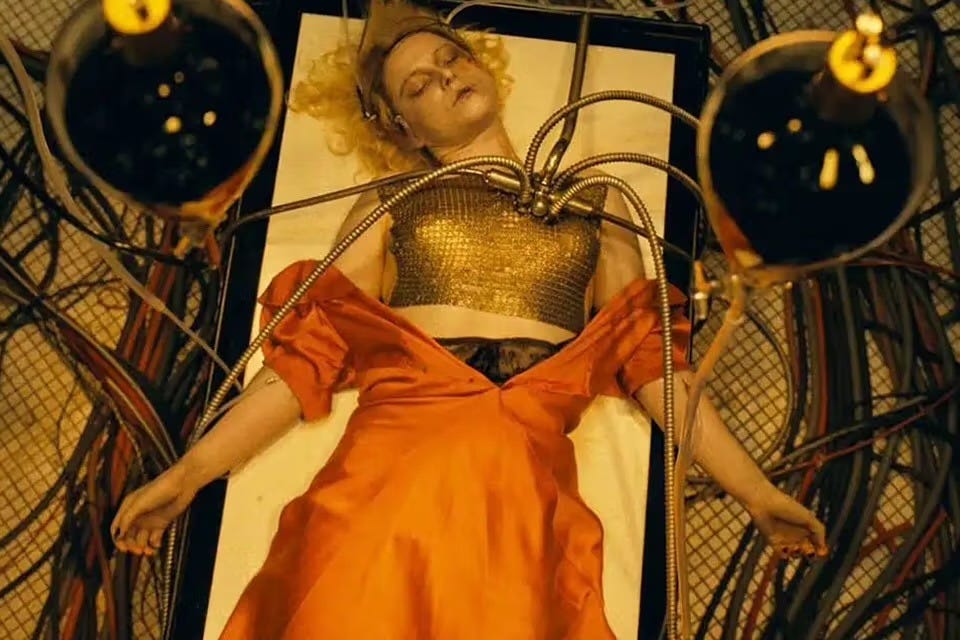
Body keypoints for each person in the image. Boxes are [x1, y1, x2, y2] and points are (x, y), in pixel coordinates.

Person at [111, 1, 828, 637]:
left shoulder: (598, 200)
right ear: (402, 126)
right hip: (384, 494)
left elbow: (659, 372)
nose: (446, 77)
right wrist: (188, 476)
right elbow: (299, 365)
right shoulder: (391, 202)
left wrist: (757, 493)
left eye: (450, 58)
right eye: (418, 84)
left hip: (518, 511)